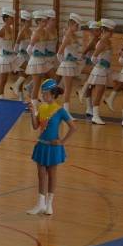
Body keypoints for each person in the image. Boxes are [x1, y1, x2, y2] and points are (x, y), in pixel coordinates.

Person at [26, 79, 76, 215]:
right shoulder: (42, 107)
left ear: (53, 95)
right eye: (42, 93)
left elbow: (73, 127)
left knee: (52, 175)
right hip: (41, 145)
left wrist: (62, 142)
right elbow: (35, 126)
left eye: (46, 94)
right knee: (41, 175)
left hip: (54, 147)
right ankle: (40, 204)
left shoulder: (60, 110)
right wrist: (32, 112)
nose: (43, 96)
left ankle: (49, 205)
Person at [55, 13, 86, 113]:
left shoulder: (74, 35)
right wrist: (64, 64)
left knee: (67, 88)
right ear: (71, 24)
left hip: (72, 65)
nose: (78, 27)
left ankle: (64, 108)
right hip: (67, 66)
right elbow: (59, 53)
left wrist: (77, 59)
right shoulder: (67, 37)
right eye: (76, 25)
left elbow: (74, 52)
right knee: (68, 89)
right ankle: (66, 111)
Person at [86, 18, 116, 125]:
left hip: (105, 71)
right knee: (98, 93)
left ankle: (96, 115)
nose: (112, 33)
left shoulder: (108, 41)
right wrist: (100, 65)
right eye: (110, 31)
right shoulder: (102, 42)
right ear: (104, 30)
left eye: (112, 31)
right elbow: (93, 58)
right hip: (100, 71)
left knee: (101, 92)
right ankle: (95, 116)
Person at [0, 8, 17, 97]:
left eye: (13, 18)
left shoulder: (11, 29)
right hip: (4, 59)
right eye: (11, 18)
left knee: (5, 80)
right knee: (2, 80)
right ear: (6, 19)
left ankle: (2, 97)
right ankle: (0, 98)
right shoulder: (3, 30)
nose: (13, 20)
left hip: (10, 57)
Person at [10, 10, 33, 100]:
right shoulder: (22, 32)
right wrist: (14, 58)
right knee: (29, 70)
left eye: (30, 21)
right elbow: (16, 45)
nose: (30, 22)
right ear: (23, 22)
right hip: (20, 57)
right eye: (28, 21)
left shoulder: (30, 31)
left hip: (28, 57)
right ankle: (16, 86)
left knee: (22, 78)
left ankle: (21, 99)